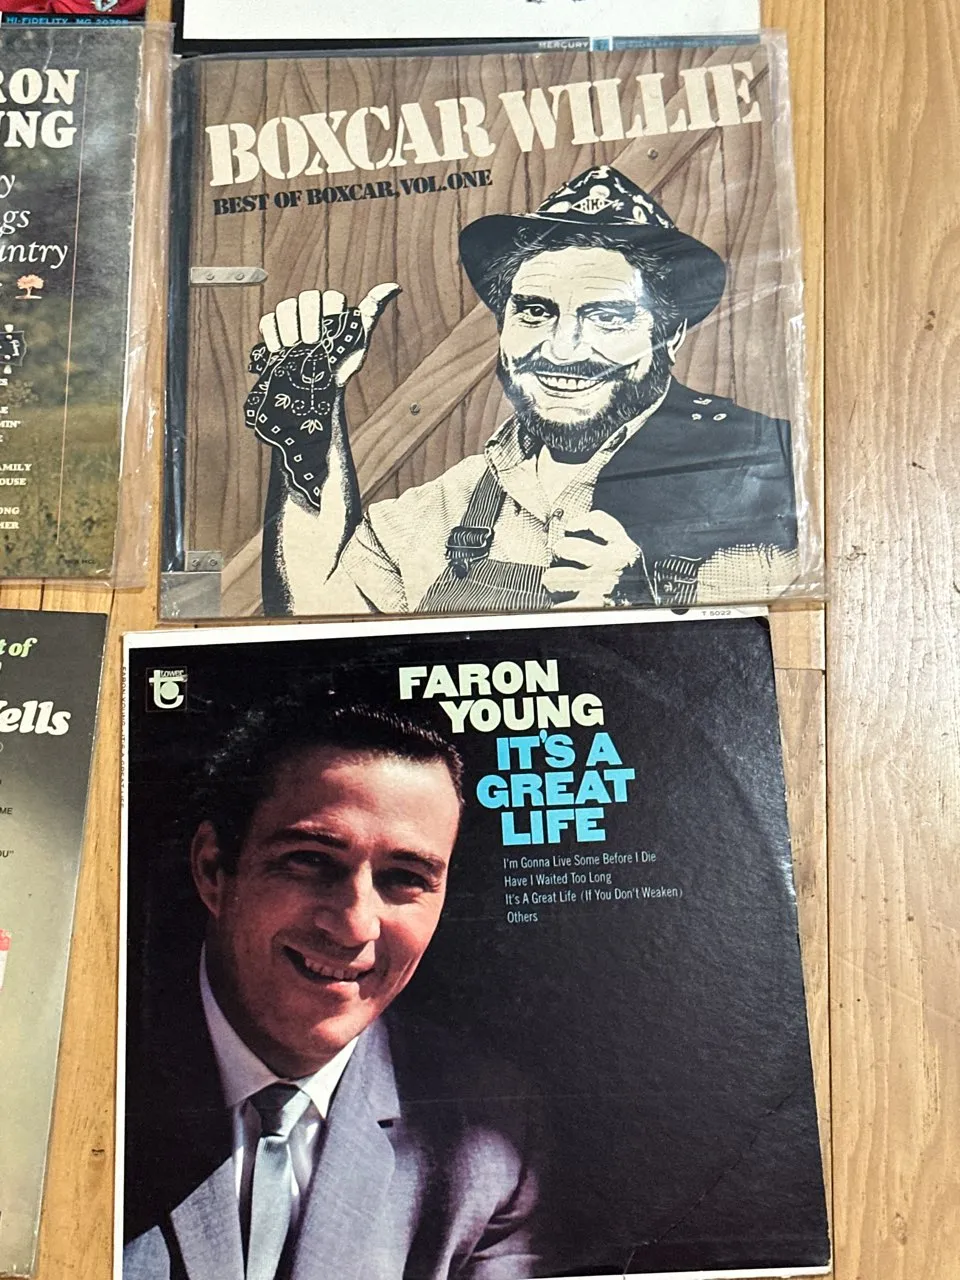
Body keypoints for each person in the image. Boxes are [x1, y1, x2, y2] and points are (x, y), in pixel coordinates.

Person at [245, 165, 799, 616]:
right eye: (535, 311)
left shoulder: (769, 478)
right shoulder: (452, 503)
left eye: (607, 317)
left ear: (668, 333)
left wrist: (647, 606)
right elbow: (314, 613)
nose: (561, 349)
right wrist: (311, 408)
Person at [123, 696, 544, 1280]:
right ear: (214, 869)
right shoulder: (68, 1077)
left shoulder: (493, 1140)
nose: (354, 926)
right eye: (311, 861)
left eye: (405, 878)